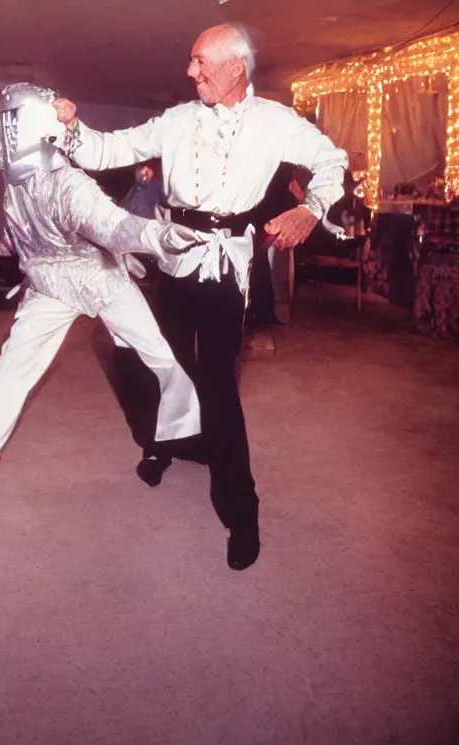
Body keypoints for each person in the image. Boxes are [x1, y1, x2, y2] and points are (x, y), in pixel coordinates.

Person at [53, 24, 349, 570]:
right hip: (171, 254)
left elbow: (335, 162)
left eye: (199, 62)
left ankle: (241, 508)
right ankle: (168, 443)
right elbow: (110, 148)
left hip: (222, 264)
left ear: (236, 67)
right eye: (191, 62)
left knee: (216, 378)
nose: (190, 72)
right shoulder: (177, 119)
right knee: (155, 358)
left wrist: (311, 209)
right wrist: (74, 128)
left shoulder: (277, 122)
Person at [0, 82, 205, 500]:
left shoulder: (70, 184)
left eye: (16, 122)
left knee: (160, 356)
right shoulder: (17, 161)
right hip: (49, 285)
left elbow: (113, 226)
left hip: (99, 279)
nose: (8, 133)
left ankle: (185, 437)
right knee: (12, 367)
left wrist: (160, 236)